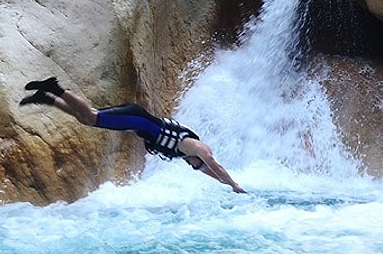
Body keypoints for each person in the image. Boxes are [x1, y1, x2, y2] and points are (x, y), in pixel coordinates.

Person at [20, 77, 247, 193]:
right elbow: (214, 167)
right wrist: (234, 184)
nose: (193, 166)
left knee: (86, 119)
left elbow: (208, 171)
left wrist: (225, 185)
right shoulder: (198, 148)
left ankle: (47, 99)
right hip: (136, 119)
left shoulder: (189, 154)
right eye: (195, 165)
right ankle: (55, 88)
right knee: (91, 116)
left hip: (135, 122)